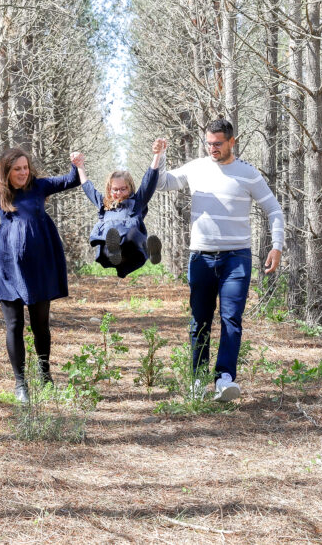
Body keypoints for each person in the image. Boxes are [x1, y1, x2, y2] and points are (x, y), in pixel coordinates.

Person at [155, 119, 284, 402]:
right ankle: (198, 380)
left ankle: (224, 379)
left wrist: (277, 246)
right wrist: (159, 156)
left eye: (218, 143)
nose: (212, 148)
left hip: (236, 257)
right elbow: (163, 183)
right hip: (200, 256)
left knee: (231, 318)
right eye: (208, 143)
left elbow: (274, 209)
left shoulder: (248, 173)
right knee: (199, 320)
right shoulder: (196, 167)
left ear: (231, 142)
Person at [0, 147, 83, 403]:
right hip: (8, 269)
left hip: (39, 268)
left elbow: (72, 180)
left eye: (25, 168)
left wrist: (76, 163)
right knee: (14, 325)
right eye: (17, 169)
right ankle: (21, 384)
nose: (23, 172)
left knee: (40, 327)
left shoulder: (40, 187)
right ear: (7, 172)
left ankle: (45, 376)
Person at [75, 139, 165, 278]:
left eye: (123, 189)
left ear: (130, 188)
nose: (119, 193)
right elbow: (88, 188)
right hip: (110, 253)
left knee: (132, 234)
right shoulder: (103, 204)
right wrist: (80, 166)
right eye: (115, 189)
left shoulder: (136, 202)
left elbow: (149, 181)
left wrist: (157, 155)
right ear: (109, 189)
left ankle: (150, 251)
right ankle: (115, 250)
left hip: (131, 250)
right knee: (108, 237)